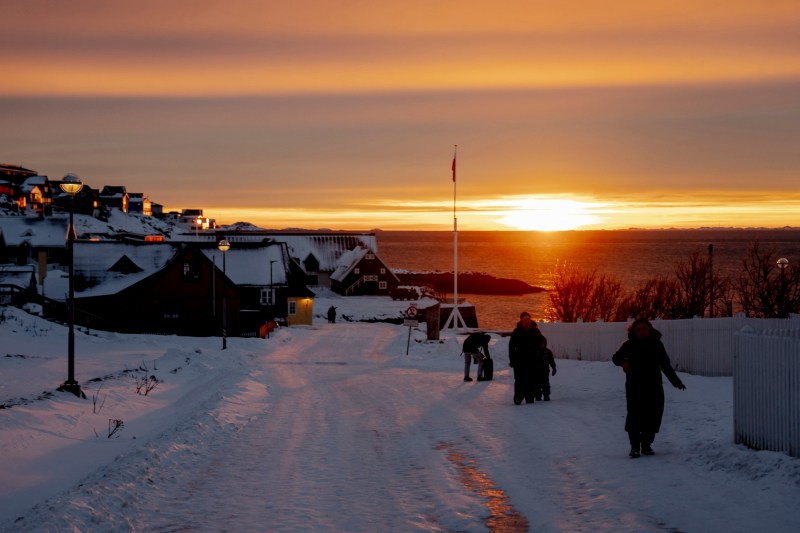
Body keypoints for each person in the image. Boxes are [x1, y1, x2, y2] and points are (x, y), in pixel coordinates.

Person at [612, 317, 686, 458]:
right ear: (634, 331)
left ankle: (646, 445)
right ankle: (635, 447)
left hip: (654, 386)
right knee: (634, 416)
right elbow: (616, 358)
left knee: (653, 415)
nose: (641, 331)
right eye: (638, 329)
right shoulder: (629, 344)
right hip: (634, 386)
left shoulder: (657, 345)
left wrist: (676, 382)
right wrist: (623, 362)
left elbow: (665, 365)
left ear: (649, 329)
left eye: (644, 328)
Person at [508, 311, 544, 404]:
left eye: (528, 319)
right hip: (519, 360)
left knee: (531, 378)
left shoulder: (535, 331)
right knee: (519, 379)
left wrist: (540, 348)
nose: (527, 321)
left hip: (532, 359)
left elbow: (542, 342)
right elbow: (511, 347)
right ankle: (518, 398)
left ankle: (530, 397)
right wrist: (512, 360)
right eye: (524, 320)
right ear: (521, 321)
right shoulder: (517, 332)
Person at [535, 336, 557, 401]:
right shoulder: (535, 351)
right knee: (537, 383)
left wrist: (554, 367)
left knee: (545, 383)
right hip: (537, 371)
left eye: (543, 343)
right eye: (540, 343)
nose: (541, 345)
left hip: (545, 371)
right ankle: (538, 395)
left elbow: (551, 360)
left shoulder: (548, 352)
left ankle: (546, 395)